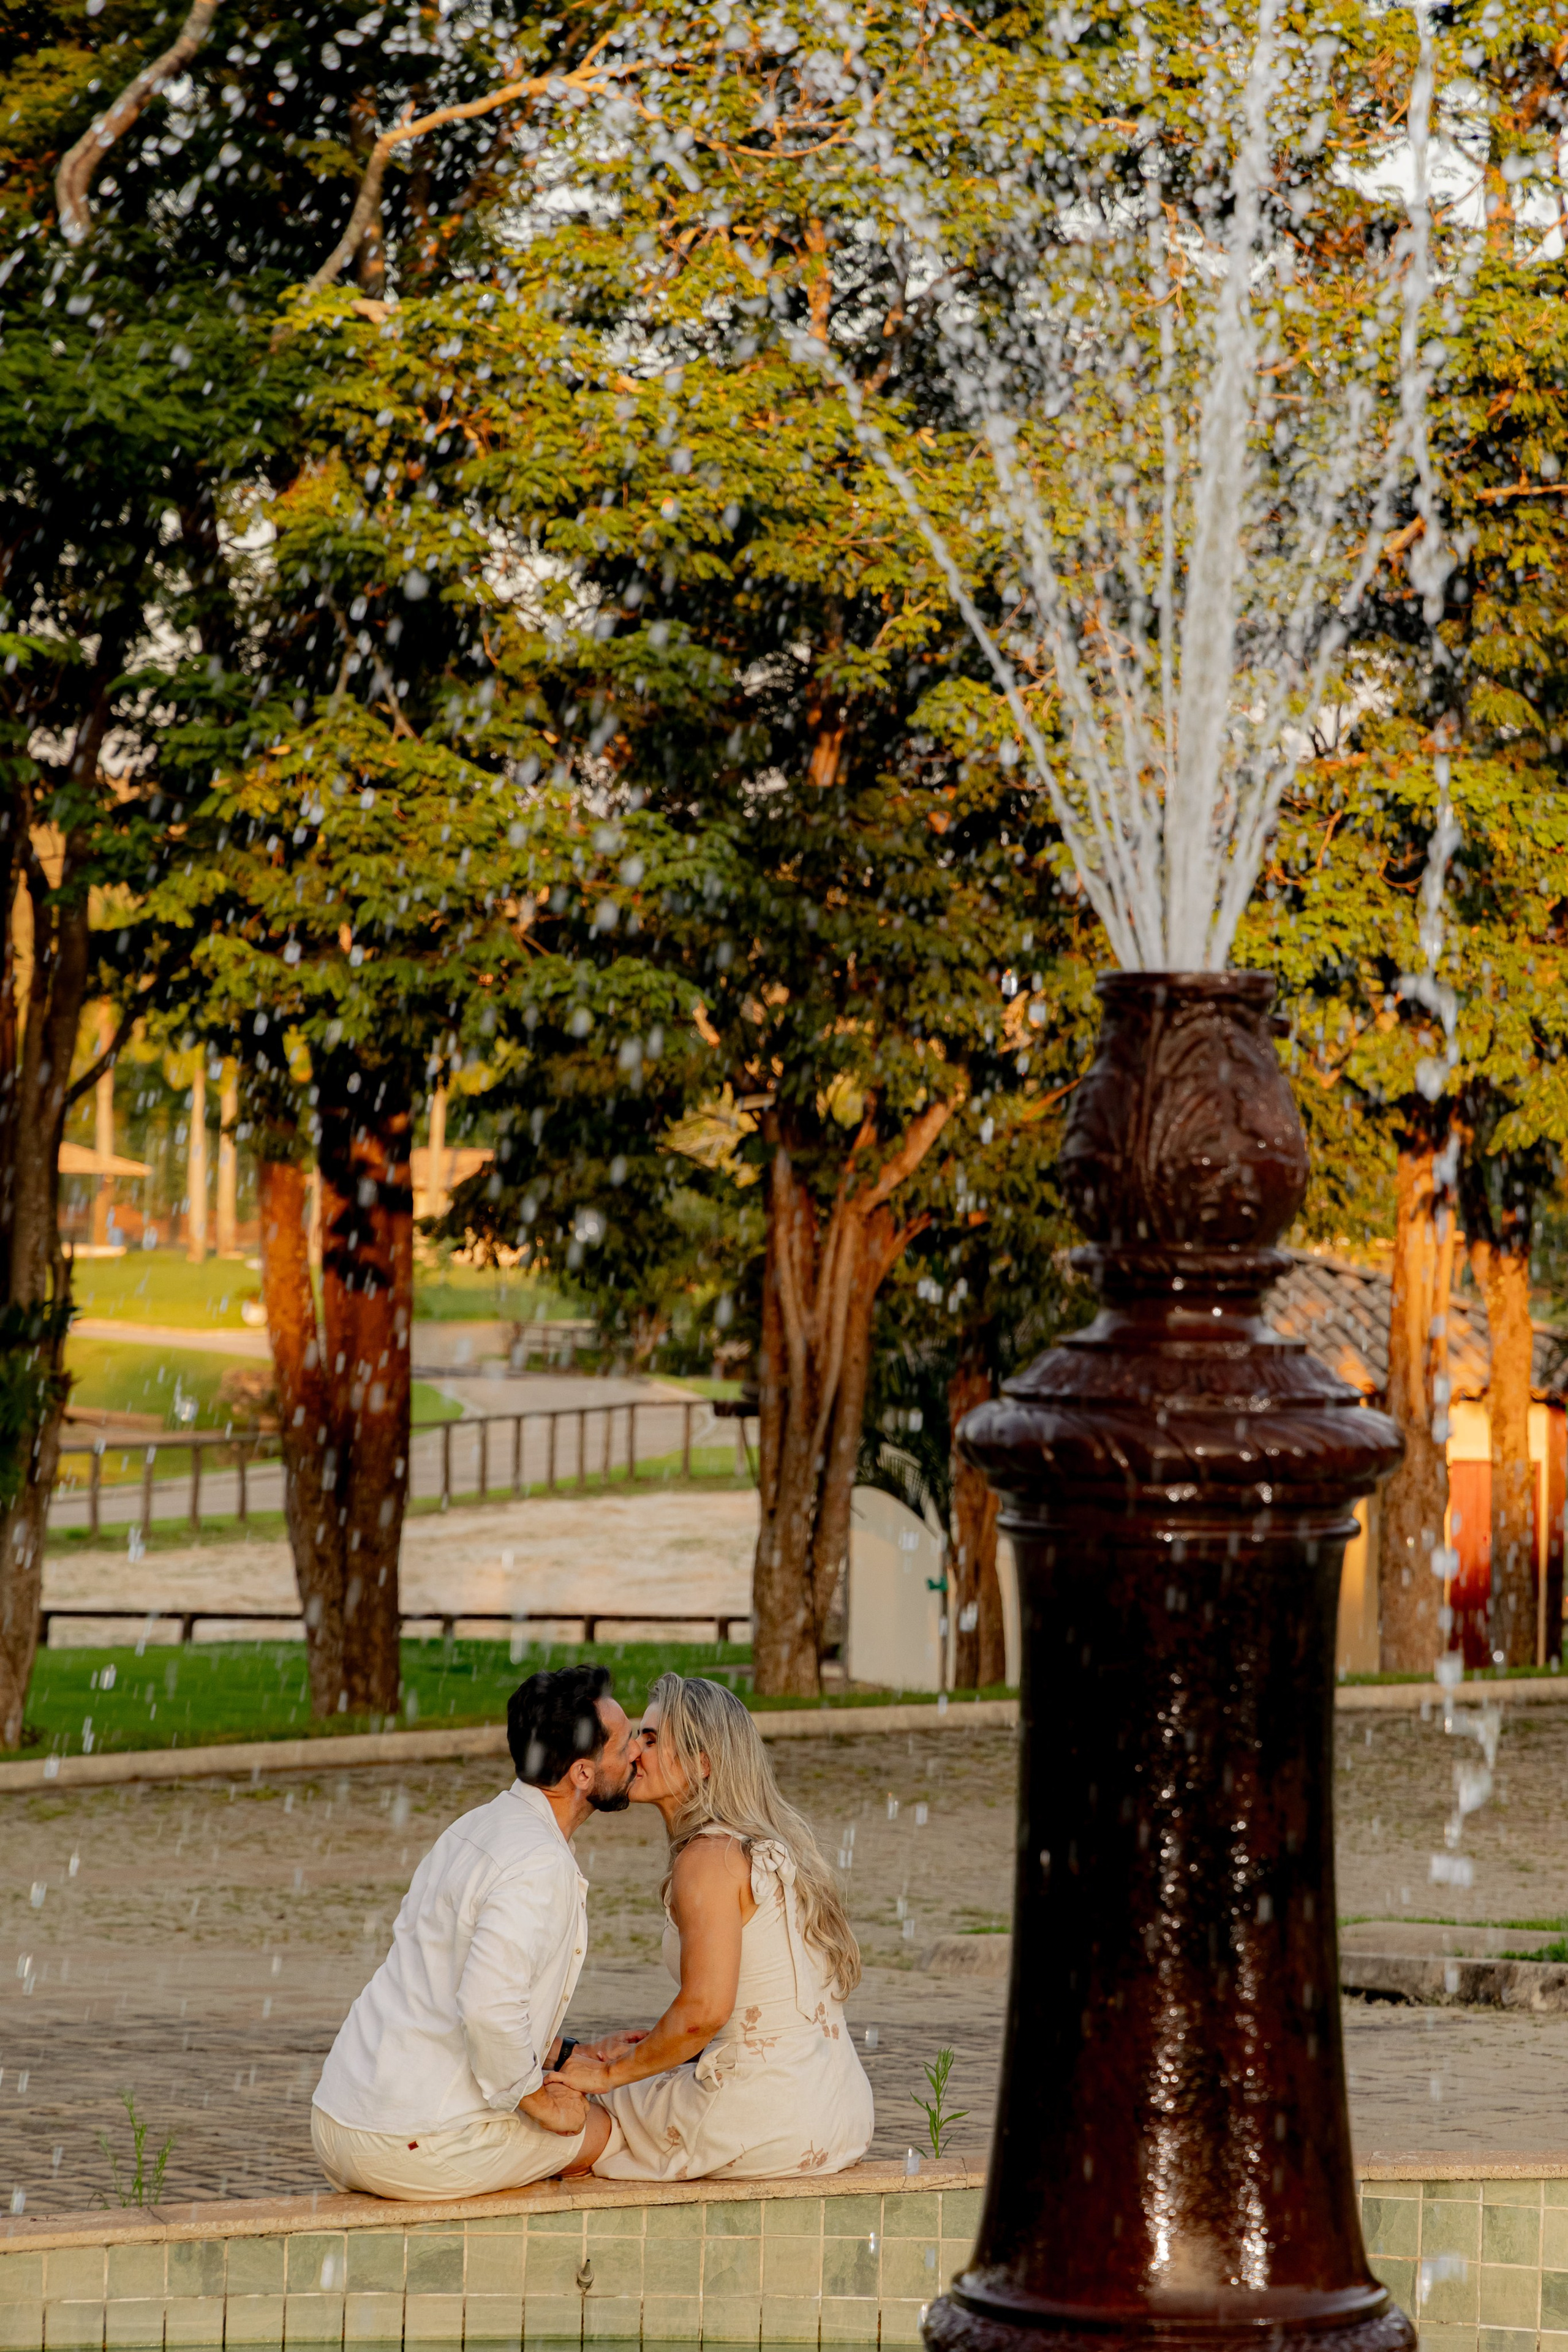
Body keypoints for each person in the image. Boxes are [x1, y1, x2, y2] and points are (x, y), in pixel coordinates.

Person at [311, 1663, 641, 2198]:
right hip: (410, 2140)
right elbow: (487, 2008)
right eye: (626, 1743)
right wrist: (542, 2102)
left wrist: (562, 2055)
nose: (638, 1753)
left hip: (340, 2118)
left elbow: (442, 1986)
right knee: (610, 2133)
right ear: (582, 1774)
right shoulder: (538, 1862)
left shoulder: (475, 1826)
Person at [557, 1670, 875, 2179]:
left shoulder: (709, 1858)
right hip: (842, 2113)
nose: (634, 1750)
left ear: (703, 1763)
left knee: (570, 2114)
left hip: (765, 2118)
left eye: (653, 1739)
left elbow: (705, 2009)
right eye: (639, 1734)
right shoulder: (766, 1848)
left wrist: (608, 2074)